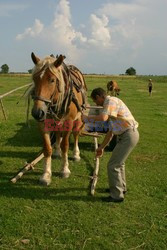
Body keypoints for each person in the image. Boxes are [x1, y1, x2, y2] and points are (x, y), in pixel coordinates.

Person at [82, 88, 139, 203]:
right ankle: (121, 188)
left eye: (95, 101)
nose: (96, 104)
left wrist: (86, 118)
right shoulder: (112, 110)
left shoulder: (111, 101)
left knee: (113, 165)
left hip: (128, 135)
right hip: (126, 135)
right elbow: (110, 133)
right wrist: (101, 147)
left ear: (99, 97)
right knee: (119, 164)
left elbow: (103, 118)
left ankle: (117, 196)